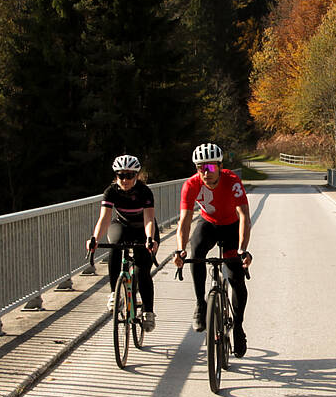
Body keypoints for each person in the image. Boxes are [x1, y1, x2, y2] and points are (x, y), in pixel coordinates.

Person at [172, 142, 253, 356]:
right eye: (200, 168)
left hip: (231, 226)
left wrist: (242, 249)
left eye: (209, 168)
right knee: (196, 252)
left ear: (219, 166)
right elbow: (184, 221)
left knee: (236, 277)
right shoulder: (191, 185)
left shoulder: (232, 181)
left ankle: (238, 327)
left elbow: (244, 216)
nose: (204, 173)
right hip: (208, 224)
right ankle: (200, 304)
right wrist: (180, 250)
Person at [87, 154, 159, 331]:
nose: (125, 180)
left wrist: (150, 239)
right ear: (116, 175)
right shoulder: (111, 191)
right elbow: (104, 219)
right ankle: (114, 293)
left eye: (129, 175)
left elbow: (149, 219)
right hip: (123, 225)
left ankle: (148, 312)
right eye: (121, 175)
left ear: (136, 176)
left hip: (143, 228)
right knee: (115, 247)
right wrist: (94, 238)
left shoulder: (144, 192)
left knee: (143, 272)